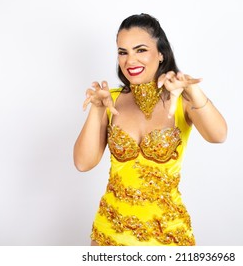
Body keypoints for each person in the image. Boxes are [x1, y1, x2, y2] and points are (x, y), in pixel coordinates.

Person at [73, 13, 227, 246]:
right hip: (110, 236)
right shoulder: (109, 101)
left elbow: (218, 135)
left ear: (161, 53)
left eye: (140, 50)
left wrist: (193, 91)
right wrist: (96, 109)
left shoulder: (183, 101)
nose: (130, 60)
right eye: (123, 52)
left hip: (168, 236)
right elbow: (83, 164)